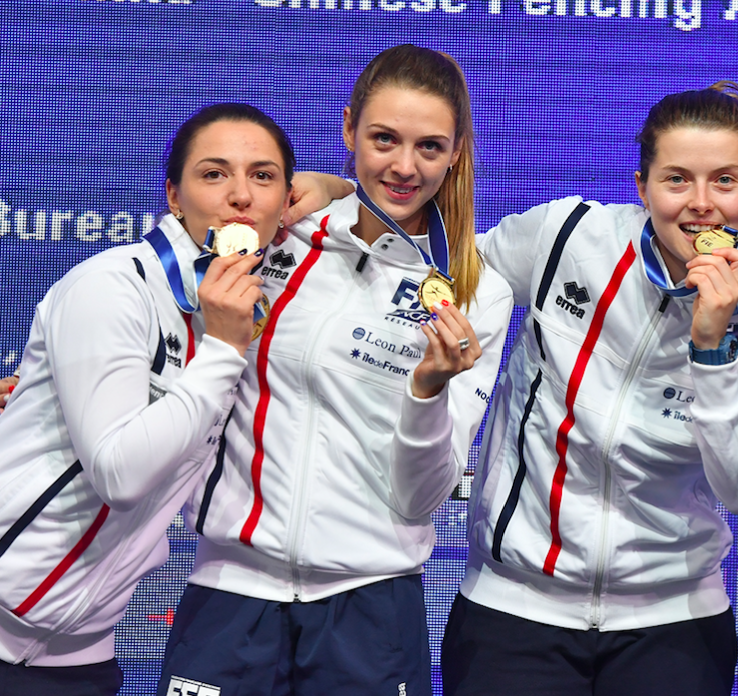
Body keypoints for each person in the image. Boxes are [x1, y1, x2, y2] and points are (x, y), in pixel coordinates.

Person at [157, 45, 512, 696]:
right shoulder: (276, 230)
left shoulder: (472, 290)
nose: (404, 166)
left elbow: (421, 497)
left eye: (429, 147)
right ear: (349, 129)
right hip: (229, 592)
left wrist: (428, 392)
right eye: (382, 139)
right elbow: (159, 299)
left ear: (456, 152)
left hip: (370, 607)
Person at [439, 84, 738, 696]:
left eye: (726, 182)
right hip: (513, 609)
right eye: (678, 179)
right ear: (643, 186)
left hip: (675, 625)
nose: (702, 205)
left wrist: (711, 349)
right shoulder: (568, 235)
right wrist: (341, 201)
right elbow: (439, 268)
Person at [0, 102, 292, 695]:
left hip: (84, 654)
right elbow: (119, 474)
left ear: (286, 204)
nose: (240, 196)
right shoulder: (114, 286)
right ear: (174, 197)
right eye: (213, 174)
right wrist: (224, 352)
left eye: (262, 177)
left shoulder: (241, 309)